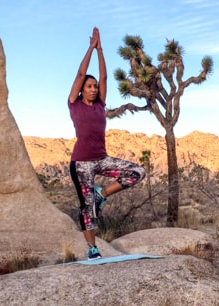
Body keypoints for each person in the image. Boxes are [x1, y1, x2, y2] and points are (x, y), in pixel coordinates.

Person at [68, 27, 146, 260]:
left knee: (137, 171)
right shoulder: (75, 103)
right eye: (88, 87)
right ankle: (92, 248)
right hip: (81, 163)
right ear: (81, 91)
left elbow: (103, 77)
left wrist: (101, 49)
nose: (93, 89)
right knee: (86, 206)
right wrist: (90, 47)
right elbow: (81, 74)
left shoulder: (101, 104)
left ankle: (103, 194)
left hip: (102, 160)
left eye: (94, 88)